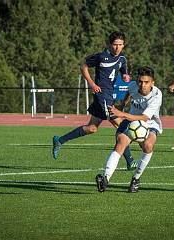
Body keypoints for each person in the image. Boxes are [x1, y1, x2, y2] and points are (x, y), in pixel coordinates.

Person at [52, 31, 137, 170]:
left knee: (92, 128)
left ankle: (59, 140)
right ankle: (130, 161)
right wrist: (91, 83)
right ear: (110, 44)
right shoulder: (101, 56)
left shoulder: (122, 59)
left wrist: (126, 76)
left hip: (109, 95)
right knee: (121, 125)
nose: (117, 47)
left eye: (120, 44)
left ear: (124, 45)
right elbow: (83, 66)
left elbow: (123, 71)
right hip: (101, 95)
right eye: (115, 44)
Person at [95, 66, 162, 193]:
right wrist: (123, 104)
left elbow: (144, 117)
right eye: (140, 81)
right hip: (132, 121)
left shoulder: (157, 95)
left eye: (146, 82)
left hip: (150, 123)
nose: (142, 85)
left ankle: (136, 179)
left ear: (152, 83)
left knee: (148, 146)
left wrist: (121, 113)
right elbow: (129, 93)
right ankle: (105, 179)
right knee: (120, 142)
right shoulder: (133, 85)